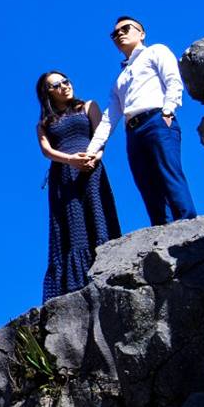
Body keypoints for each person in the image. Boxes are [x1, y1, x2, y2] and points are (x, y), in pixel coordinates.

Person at [35, 71, 122, 302]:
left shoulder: (88, 106)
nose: (64, 86)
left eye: (66, 81)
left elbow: (101, 135)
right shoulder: (44, 123)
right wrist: (70, 160)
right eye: (56, 85)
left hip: (91, 168)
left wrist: (95, 157)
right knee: (71, 222)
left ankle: (106, 264)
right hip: (63, 174)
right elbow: (47, 151)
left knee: (96, 211)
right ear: (48, 93)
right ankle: (74, 281)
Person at [109, 16, 197, 224]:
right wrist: (95, 149)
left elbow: (173, 80)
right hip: (132, 130)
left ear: (141, 33)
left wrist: (168, 111)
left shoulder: (156, 51)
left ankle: (189, 226)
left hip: (156, 120)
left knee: (169, 173)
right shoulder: (119, 79)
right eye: (115, 33)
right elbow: (110, 116)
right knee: (146, 183)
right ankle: (162, 231)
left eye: (126, 28)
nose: (119, 34)